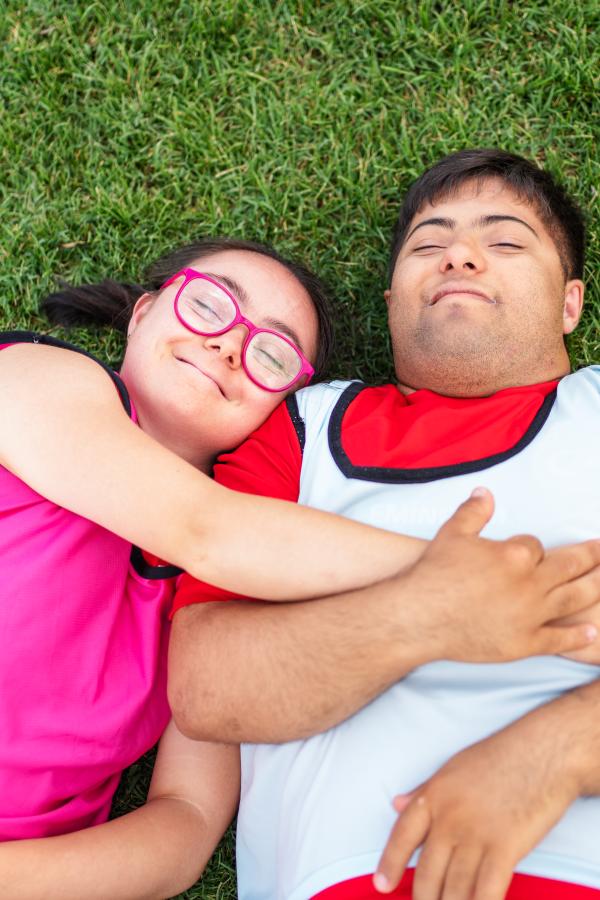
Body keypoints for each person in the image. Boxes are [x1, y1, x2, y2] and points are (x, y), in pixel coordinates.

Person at [5, 235, 591, 898]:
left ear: (279, 406)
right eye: (207, 304)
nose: (229, 343)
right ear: (142, 314)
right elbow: (207, 527)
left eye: (271, 351)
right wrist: (480, 581)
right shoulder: (30, 378)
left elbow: (186, 825)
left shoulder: (228, 592)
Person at [170, 151, 600, 900]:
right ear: (394, 294)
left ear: (570, 303)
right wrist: (425, 615)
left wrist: (556, 751)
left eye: (504, 242)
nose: (460, 253)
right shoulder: (301, 431)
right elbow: (210, 688)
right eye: (428, 245)